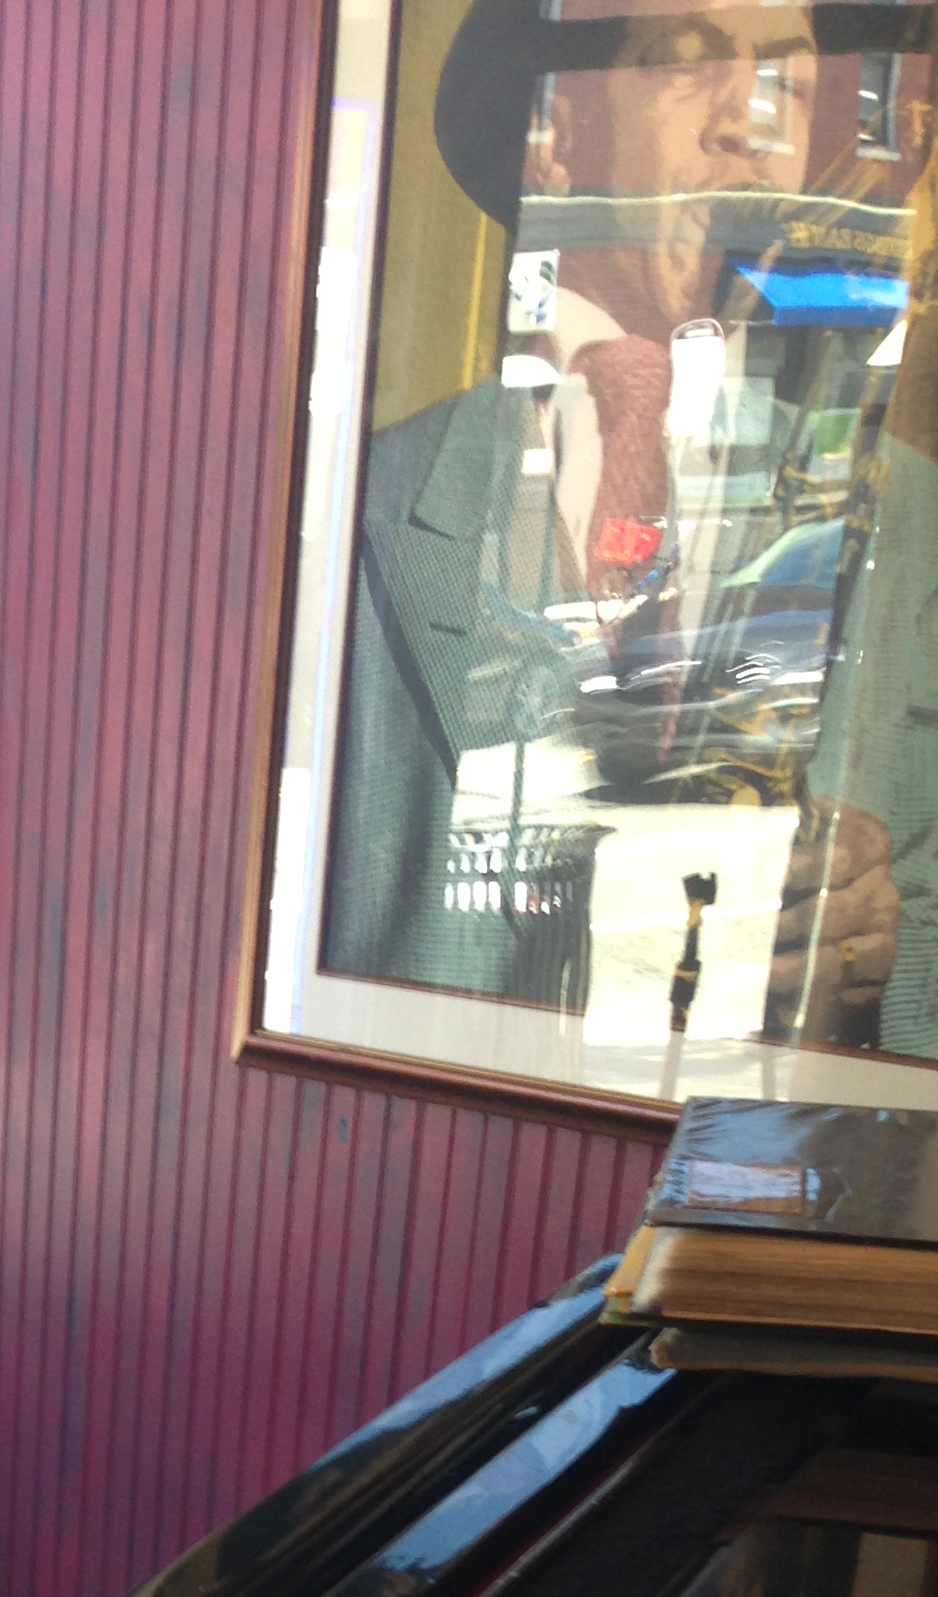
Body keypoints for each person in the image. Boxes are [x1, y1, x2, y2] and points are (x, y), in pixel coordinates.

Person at [325, 0, 899, 1039]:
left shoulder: (911, 531)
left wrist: (855, 997)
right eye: (685, 61)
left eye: (786, 78)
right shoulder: (350, 509)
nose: (752, 121)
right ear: (554, 135)